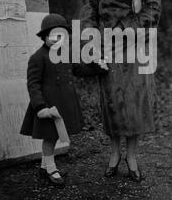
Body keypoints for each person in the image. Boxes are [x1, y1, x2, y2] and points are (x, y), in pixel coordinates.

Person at [80, 0, 161, 182]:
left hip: (135, 46)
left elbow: (153, 7)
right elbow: (88, 11)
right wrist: (92, 40)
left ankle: (132, 156)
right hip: (107, 48)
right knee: (113, 103)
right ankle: (114, 154)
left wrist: (130, 28)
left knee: (135, 102)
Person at [20, 13, 108, 187]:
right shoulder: (38, 58)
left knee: (53, 136)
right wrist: (40, 106)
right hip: (48, 105)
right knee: (50, 137)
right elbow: (33, 84)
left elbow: (79, 70)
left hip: (64, 103)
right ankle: (51, 169)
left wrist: (97, 66)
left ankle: (45, 167)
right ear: (44, 37)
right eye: (51, 36)